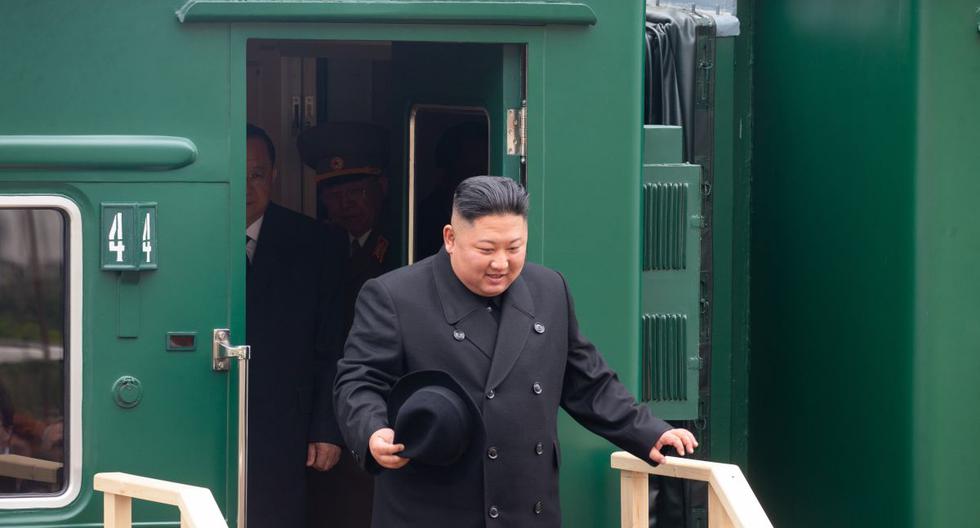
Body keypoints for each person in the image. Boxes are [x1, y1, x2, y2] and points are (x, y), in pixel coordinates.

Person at [334, 176, 698, 527]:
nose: (501, 264)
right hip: (433, 505)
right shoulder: (394, 296)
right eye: (486, 249)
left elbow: (586, 380)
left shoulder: (549, 288)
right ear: (450, 238)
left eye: (514, 247)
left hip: (527, 507)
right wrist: (373, 432)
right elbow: (359, 381)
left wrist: (645, 429)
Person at [245, 124, 346, 528]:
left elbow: (333, 343)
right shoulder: (189, 238)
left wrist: (327, 427)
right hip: (205, 419)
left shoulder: (316, 243)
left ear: (273, 176)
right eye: (239, 173)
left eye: (257, 174)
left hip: (288, 427)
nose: (248, 186)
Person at [297, 122, 392, 527]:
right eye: (334, 194)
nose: (345, 204)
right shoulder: (318, 248)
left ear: (381, 188)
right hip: (331, 407)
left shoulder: (406, 241)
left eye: (356, 192)